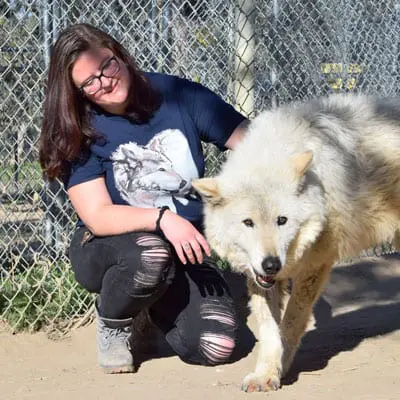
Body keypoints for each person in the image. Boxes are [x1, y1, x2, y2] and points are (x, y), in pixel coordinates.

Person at [39, 23, 249, 374]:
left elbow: (250, 139)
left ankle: (151, 309)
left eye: (106, 66)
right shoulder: (79, 127)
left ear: (118, 54)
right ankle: (115, 320)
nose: (104, 82)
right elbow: (98, 215)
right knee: (150, 254)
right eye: (89, 82)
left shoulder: (178, 95)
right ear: (79, 92)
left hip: (184, 250)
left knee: (217, 345)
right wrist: (163, 218)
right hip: (110, 246)